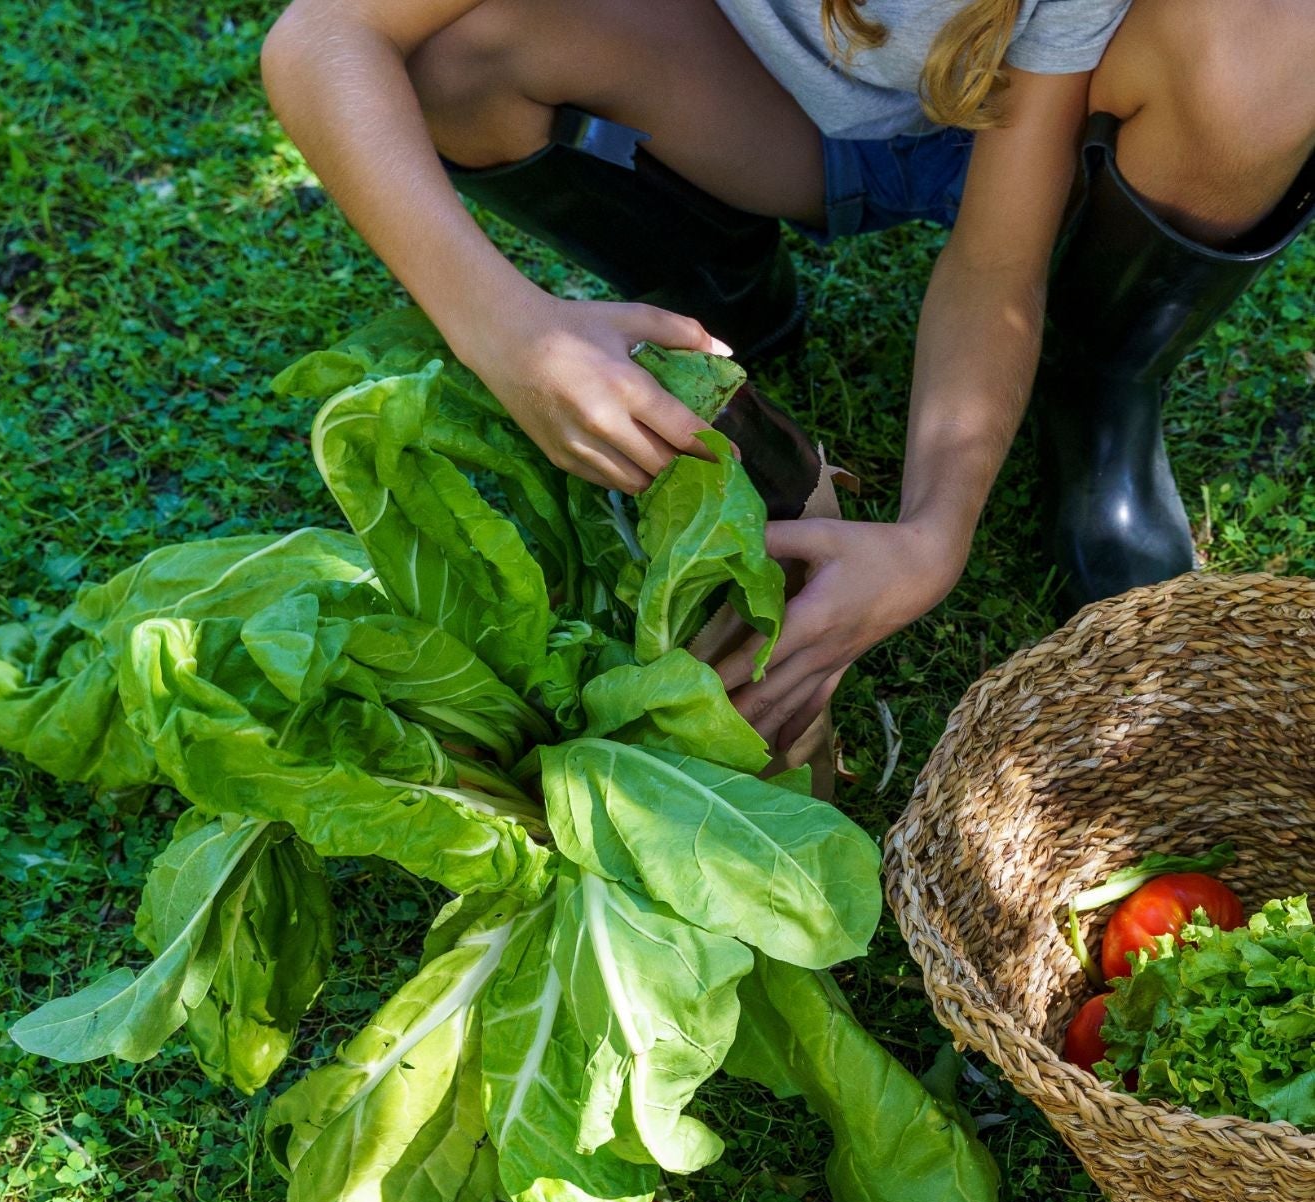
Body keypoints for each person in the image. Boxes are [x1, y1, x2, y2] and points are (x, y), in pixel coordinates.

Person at [260, 0, 1315, 750]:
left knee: (1279, 38)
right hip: (766, 114)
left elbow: (996, 261)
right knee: (455, 50)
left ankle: (1101, 381)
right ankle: (719, 296)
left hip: (1050, 119)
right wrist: (507, 330)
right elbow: (324, 34)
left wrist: (932, 532)